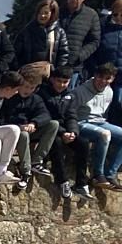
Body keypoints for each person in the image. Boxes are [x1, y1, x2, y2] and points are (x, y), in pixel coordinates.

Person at [0, 66, 59, 181]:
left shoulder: (36, 99)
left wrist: (34, 123)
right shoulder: (9, 97)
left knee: (54, 124)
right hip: (13, 132)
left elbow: (45, 115)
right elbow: (2, 119)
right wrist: (18, 127)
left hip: (30, 129)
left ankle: (37, 161)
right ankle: (25, 170)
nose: (28, 90)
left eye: (32, 88)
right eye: (26, 86)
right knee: (23, 134)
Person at [73, 63, 122, 190]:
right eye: (100, 77)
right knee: (104, 134)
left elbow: (103, 115)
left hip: (100, 122)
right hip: (81, 122)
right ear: (95, 75)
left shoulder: (109, 91)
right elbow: (71, 113)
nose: (103, 81)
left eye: (108, 78)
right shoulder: (80, 91)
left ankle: (110, 174)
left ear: (112, 79)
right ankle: (97, 175)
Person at [39, 66, 85, 199]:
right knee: (57, 143)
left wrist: (73, 132)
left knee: (83, 143)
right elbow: (45, 116)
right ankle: (62, 181)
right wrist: (62, 132)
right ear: (52, 79)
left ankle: (81, 183)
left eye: (65, 82)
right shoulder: (42, 94)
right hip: (48, 130)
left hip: (65, 130)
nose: (62, 85)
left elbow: (72, 116)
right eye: (59, 81)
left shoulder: (70, 95)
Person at [15, 0, 71, 73]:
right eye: (40, 12)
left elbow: (63, 55)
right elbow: (16, 53)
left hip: (50, 75)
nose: (42, 15)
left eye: (46, 13)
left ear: (53, 14)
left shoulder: (59, 32)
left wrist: (57, 73)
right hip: (28, 74)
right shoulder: (27, 31)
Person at [59, 0, 101, 74]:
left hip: (74, 68)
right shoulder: (57, 12)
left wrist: (79, 56)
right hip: (54, 64)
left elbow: (94, 41)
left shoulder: (91, 15)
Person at [95, 0, 122, 75]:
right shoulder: (101, 26)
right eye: (115, 14)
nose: (119, 18)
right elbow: (93, 48)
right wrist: (95, 69)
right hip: (103, 75)